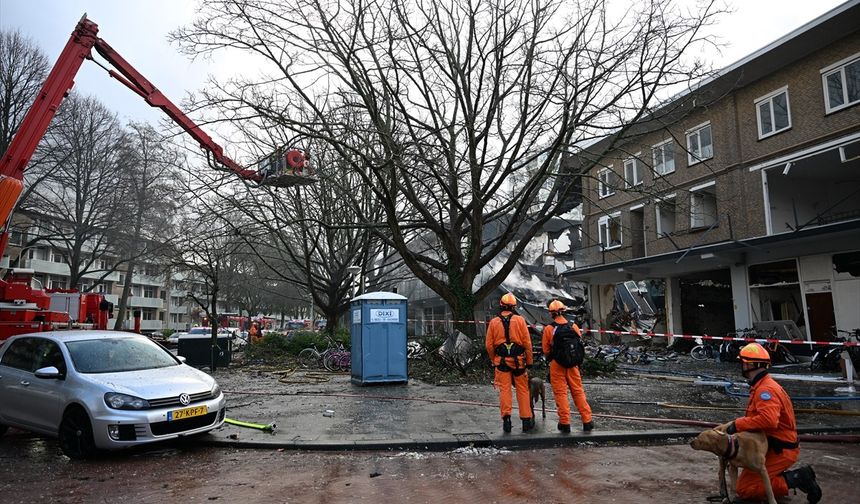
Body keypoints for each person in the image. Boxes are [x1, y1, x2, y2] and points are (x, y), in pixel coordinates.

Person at [723, 342, 821, 503]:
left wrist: (737, 425)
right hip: (772, 446)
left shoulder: (765, 390)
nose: (741, 366)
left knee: (746, 489)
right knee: (747, 480)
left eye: (743, 363)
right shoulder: (762, 386)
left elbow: (768, 420)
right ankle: (777, 478)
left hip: (779, 449)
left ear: (751, 365)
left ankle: (797, 478)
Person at [485, 293, 535, 433]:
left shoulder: (494, 322)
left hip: (501, 362)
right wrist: (529, 362)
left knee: (505, 390)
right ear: (514, 307)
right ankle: (526, 420)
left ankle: (506, 420)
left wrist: (493, 359)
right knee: (523, 390)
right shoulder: (520, 320)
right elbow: (527, 343)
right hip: (518, 362)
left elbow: (489, 345)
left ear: (500, 305)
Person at [542, 299, 594, 433]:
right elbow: (579, 343)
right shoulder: (573, 326)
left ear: (551, 313)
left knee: (561, 393)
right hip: (573, 365)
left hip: (556, 364)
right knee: (578, 391)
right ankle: (587, 421)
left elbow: (546, 350)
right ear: (564, 311)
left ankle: (565, 423)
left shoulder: (549, 329)